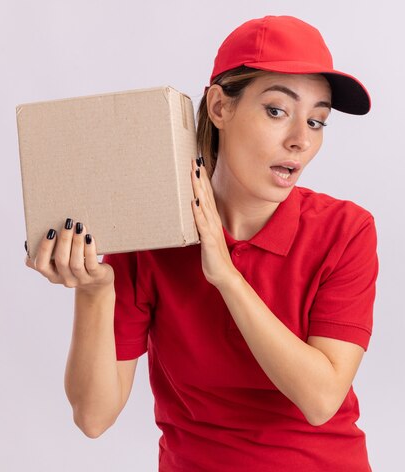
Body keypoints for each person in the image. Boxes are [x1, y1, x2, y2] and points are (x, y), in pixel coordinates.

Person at [25, 15, 379, 472]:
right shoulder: (150, 236)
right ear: (219, 107)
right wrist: (94, 291)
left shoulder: (345, 231)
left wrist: (227, 278)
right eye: (277, 111)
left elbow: (321, 399)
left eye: (317, 121)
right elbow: (93, 418)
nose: (300, 141)